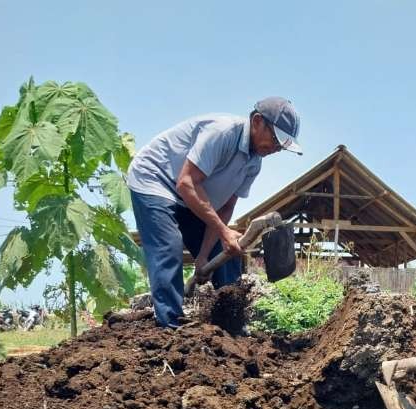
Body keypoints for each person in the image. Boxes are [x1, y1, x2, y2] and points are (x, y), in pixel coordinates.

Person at [126, 97, 302, 328]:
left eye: (282, 146)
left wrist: (204, 255)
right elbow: (186, 182)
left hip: (190, 196)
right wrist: (222, 230)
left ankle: (232, 327)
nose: (276, 149)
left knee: (227, 252)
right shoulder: (223, 133)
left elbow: (225, 207)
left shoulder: (253, 164)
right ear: (257, 121)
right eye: (276, 140)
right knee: (169, 245)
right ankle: (170, 328)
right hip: (156, 180)